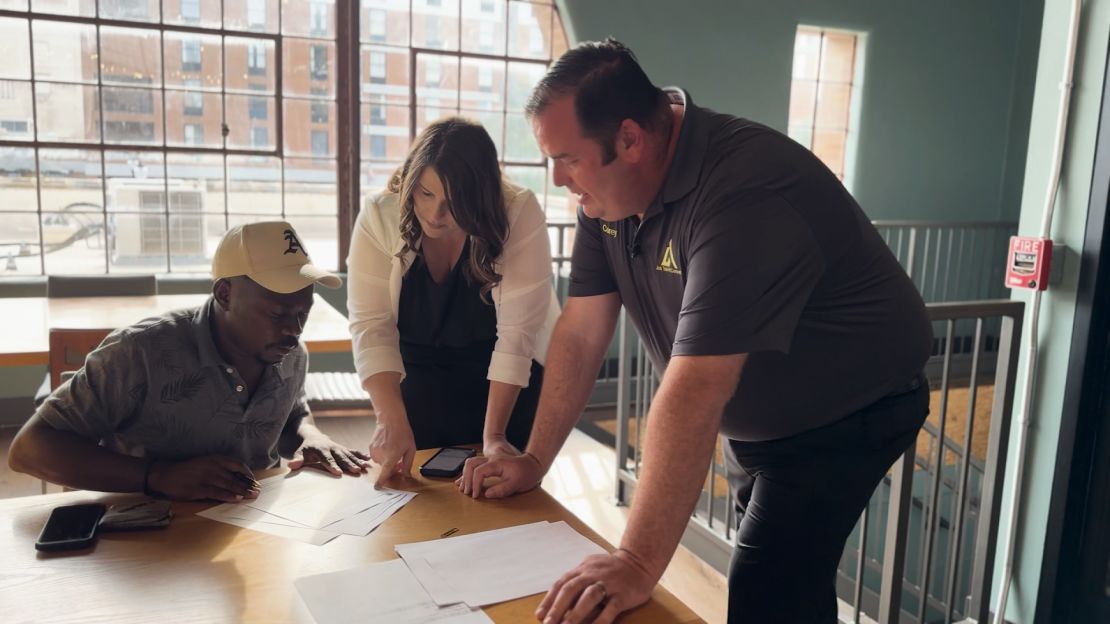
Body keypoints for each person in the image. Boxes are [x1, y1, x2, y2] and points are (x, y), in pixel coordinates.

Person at [458, 39, 933, 624]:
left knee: (766, 583)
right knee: (791, 582)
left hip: (852, 407)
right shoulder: (605, 201)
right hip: (758, 415)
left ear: (630, 139)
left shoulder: (743, 193)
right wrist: (534, 458)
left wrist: (634, 561)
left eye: (568, 159)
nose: (559, 180)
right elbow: (581, 332)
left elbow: (695, 389)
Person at [8, 222, 370, 502]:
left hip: (254, 524)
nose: (294, 329)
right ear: (224, 295)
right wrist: (157, 476)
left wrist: (311, 436)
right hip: (152, 537)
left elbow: (290, 413)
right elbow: (28, 449)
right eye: (276, 314)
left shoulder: (290, 353)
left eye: (303, 313)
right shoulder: (140, 353)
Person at [347, 117, 559, 487]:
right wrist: (389, 419)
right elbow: (372, 326)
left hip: (504, 391)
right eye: (425, 194)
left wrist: (494, 436)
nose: (434, 214)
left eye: (454, 201)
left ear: (480, 196)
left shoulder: (517, 212)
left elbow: (516, 336)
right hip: (417, 392)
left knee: (498, 510)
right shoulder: (380, 216)